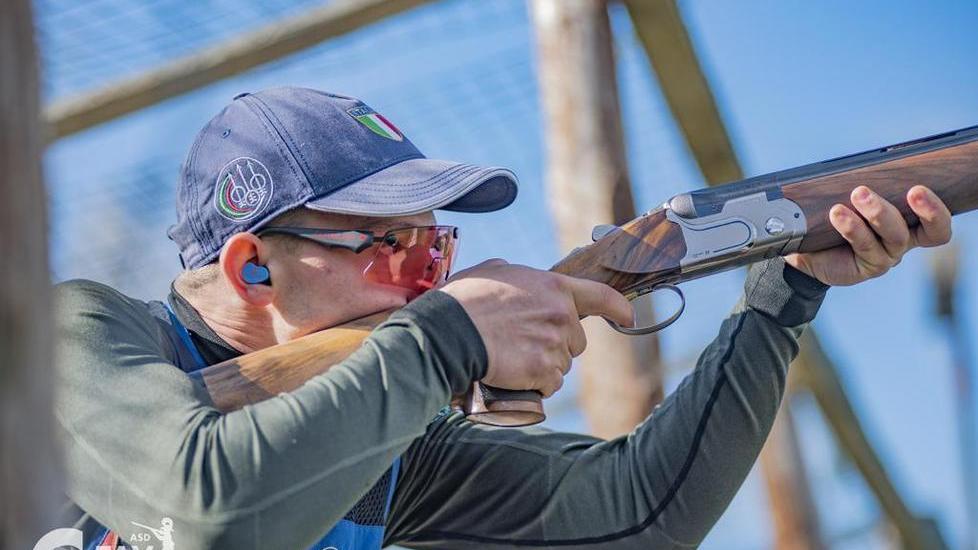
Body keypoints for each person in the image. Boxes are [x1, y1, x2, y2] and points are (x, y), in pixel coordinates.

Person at [55, 87, 952, 549]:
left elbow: (641, 517)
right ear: (252, 265)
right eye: (391, 249)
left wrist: (783, 294)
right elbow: (211, 515)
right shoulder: (76, 336)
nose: (424, 282)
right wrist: (444, 339)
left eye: (434, 252)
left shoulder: (386, 429)